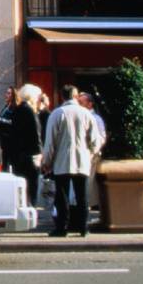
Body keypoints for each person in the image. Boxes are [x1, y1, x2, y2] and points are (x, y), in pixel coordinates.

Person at [41, 85, 104, 237]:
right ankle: (83, 227)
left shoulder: (56, 114)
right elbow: (96, 141)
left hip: (61, 161)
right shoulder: (87, 114)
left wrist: (47, 161)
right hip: (82, 160)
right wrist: (90, 153)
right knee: (82, 196)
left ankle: (62, 227)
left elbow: (50, 142)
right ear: (75, 96)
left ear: (63, 97)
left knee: (61, 196)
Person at [10, 84, 43, 207]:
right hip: (30, 155)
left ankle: (23, 206)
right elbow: (36, 134)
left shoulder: (17, 110)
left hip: (18, 155)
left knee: (22, 184)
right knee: (32, 184)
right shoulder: (29, 111)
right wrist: (40, 153)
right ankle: (31, 207)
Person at [0, 87, 17, 172]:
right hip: (3, 140)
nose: (6, 95)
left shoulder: (14, 108)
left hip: (10, 141)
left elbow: (12, 122)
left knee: (8, 164)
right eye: (6, 93)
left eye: (9, 93)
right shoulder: (6, 106)